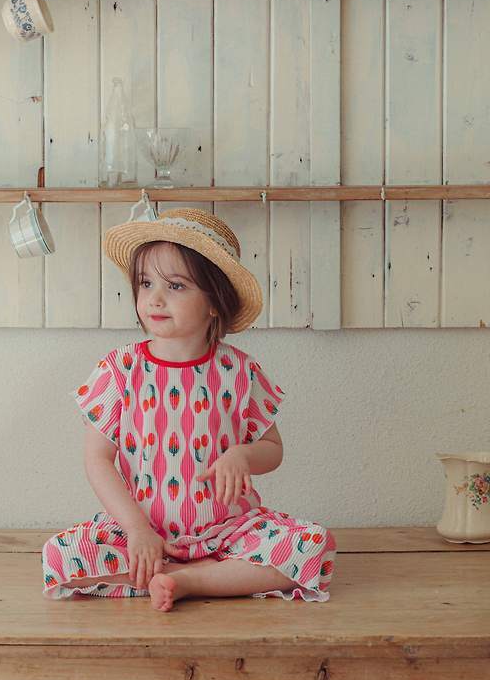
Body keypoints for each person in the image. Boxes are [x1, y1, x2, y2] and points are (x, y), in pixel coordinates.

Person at [42, 204, 337, 611]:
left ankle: (189, 579)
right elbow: (98, 460)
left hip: (227, 531)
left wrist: (242, 455)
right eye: (146, 283)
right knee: (59, 555)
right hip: (142, 531)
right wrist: (137, 529)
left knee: (313, 545)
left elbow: (273, 450)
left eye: (176, 286)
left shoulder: (240, 371)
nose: (155, 298)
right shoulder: (120, 370)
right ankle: (190, 573)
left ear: (214, 301)